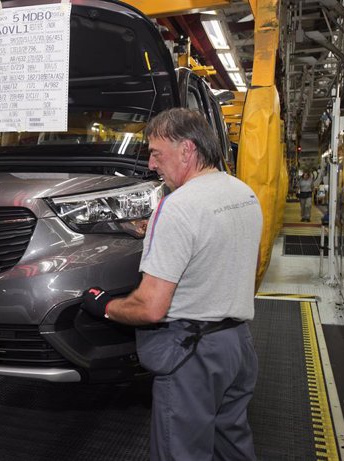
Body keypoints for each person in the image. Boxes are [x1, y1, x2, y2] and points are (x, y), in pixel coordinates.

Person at [81, 108, 262, 460]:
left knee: (182, 453)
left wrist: (104, 306)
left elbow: (151, 308)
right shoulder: (243, 194)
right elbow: (246, 265)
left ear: (187, 150)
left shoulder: (177, 207)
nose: (150, 164)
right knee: (231, 446)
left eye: (155, 153)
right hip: (236, 347)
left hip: (192, 356)